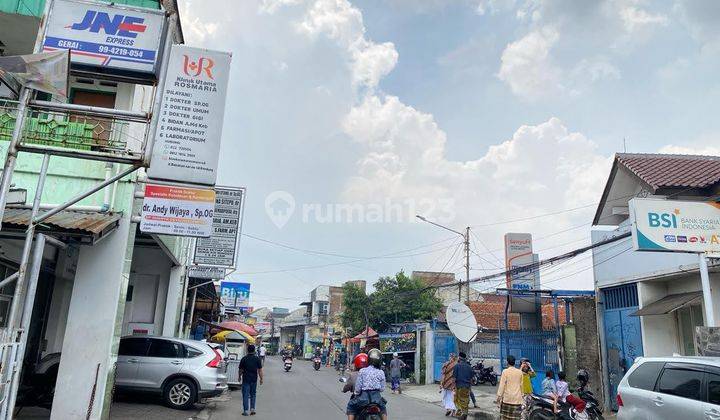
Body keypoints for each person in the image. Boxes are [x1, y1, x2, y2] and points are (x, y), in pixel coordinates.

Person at [347, 348, 387, 420]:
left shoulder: (362, 371)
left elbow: (358, 388)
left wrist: (356, 393)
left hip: (363, 399)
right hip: (377, 399)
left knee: (351, 406)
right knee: (383, 409)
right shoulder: (381, 372)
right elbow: (382, 388)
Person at [238, 344, 264, 416]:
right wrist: (261, 379)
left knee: (245, 395)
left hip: (246, 379)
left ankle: (245, 411)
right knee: (253, 394)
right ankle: (252, 409)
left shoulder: (244, 359)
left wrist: (239, 376)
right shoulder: (257, 359)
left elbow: (241, 370)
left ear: (247, 350)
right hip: (254, 380)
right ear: (254, 350)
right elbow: (260, 370)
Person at [496, 355, 524, 420]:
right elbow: (521, 385)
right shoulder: (520, 372)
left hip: (507, 399)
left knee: (505, 418)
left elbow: (502, 386)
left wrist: (498, 398)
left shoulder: (505, 371)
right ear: (514, 363)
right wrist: (522, 396)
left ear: (507, 362)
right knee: (516, 418)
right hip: (517, 400)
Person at [453, 352, 474, 420]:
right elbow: (471, 379)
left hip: (459, 386)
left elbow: (454, 378)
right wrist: (470, 388)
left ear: (459, 358)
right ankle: (463, 413)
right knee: (465, 400)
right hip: (467, 387)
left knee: (457, 400)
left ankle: (463, 413)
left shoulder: (456, 366)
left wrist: (453, 387)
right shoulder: (469, 367)